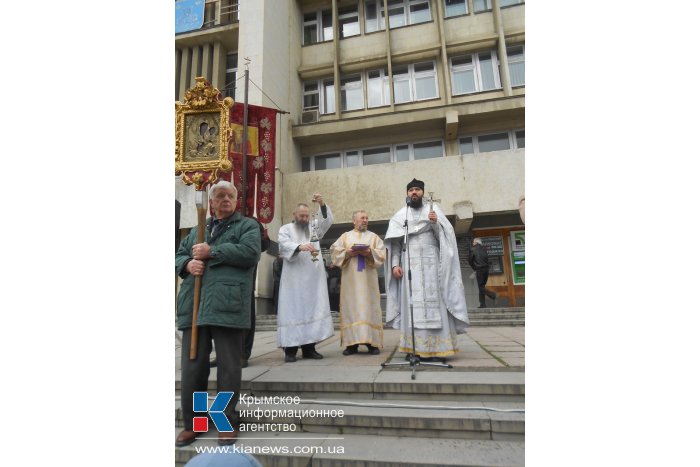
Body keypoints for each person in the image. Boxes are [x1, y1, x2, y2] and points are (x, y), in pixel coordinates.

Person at [175, 180, 261, 447]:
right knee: (194, 369)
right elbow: (177, 255)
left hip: (227, 305)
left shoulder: (247, 226)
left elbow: (250, 253)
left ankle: (225, 421)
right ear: (211, 202)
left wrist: (213, 252)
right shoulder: (199, 229)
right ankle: (196, 423)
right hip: (195, 307)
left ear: (236, 201)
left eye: (230, 196)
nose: (225, 199)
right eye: (219, 196)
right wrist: (188, 264)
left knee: (228, 368)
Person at [384, 179, 469, 359]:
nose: (414, 193)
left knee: (435, 305)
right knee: (412, 305)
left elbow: (445, 239)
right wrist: (394, 264)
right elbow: (396, 244)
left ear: (423, 193)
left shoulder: (434, 211)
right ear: (407, 194)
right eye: (411, 190)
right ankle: (414, 348)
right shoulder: (401, 215)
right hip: (410, 267)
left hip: (432, 266)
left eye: (417, 190)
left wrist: (436, 223)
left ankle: (438, 348)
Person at [276, 193, 334, 362]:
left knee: (311, 310)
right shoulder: (285, 229)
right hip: (293, 280)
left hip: (312, 279)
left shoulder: (313, 228)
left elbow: (327, 221)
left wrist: (322, 203)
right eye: (301, 216)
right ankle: (290, 350)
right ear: (294, 215)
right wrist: (299, 246)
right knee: (292, 312)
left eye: (307, 216)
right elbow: (283, 245)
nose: (304, 219)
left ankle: (310, 349)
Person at [330, 210, 385, 355]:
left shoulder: (373, 237)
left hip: (368, 283)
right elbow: (334, 252)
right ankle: (351, 344)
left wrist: (370, 253)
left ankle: (371, 343)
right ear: (354, 221)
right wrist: (348, 253)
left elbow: (382, 253)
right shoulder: (345, 236)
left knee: (369, 309)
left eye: (367, 218)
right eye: (362, 218)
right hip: (351, 283)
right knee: (351, 309)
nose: (365, 220)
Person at [242, 218, 270, 368]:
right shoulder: (220, 220)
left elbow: (265, 244)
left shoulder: (253, 222)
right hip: (221, 281)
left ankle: (242, 354)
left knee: (246, 317)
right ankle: (223, 355)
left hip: (245, 280)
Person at [468, 237, 497, 308]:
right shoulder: (484, 249)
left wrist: (475, 268)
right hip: (486, 270)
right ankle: (482, 304)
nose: (472, 243)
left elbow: (470, 260)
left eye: (473, 242)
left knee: (481, 287)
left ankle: (492, 294)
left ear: (476, 243)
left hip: (479, 270)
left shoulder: (472, 249)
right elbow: (486, 259)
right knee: (482, 286)